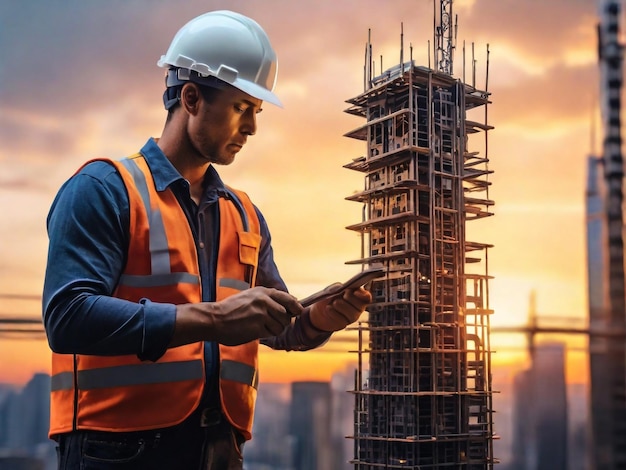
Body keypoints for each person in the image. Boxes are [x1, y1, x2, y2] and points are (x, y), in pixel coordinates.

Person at [42, 10, 372, 470]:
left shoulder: (246, 216)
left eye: (256, 112)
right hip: (116, 451)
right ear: (191, 98)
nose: (253, 128)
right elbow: (68, 317)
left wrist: (318, 318)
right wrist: (213, 318)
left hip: (220, 449)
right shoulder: (105, 190)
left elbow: (272, 326)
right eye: (241, 108)